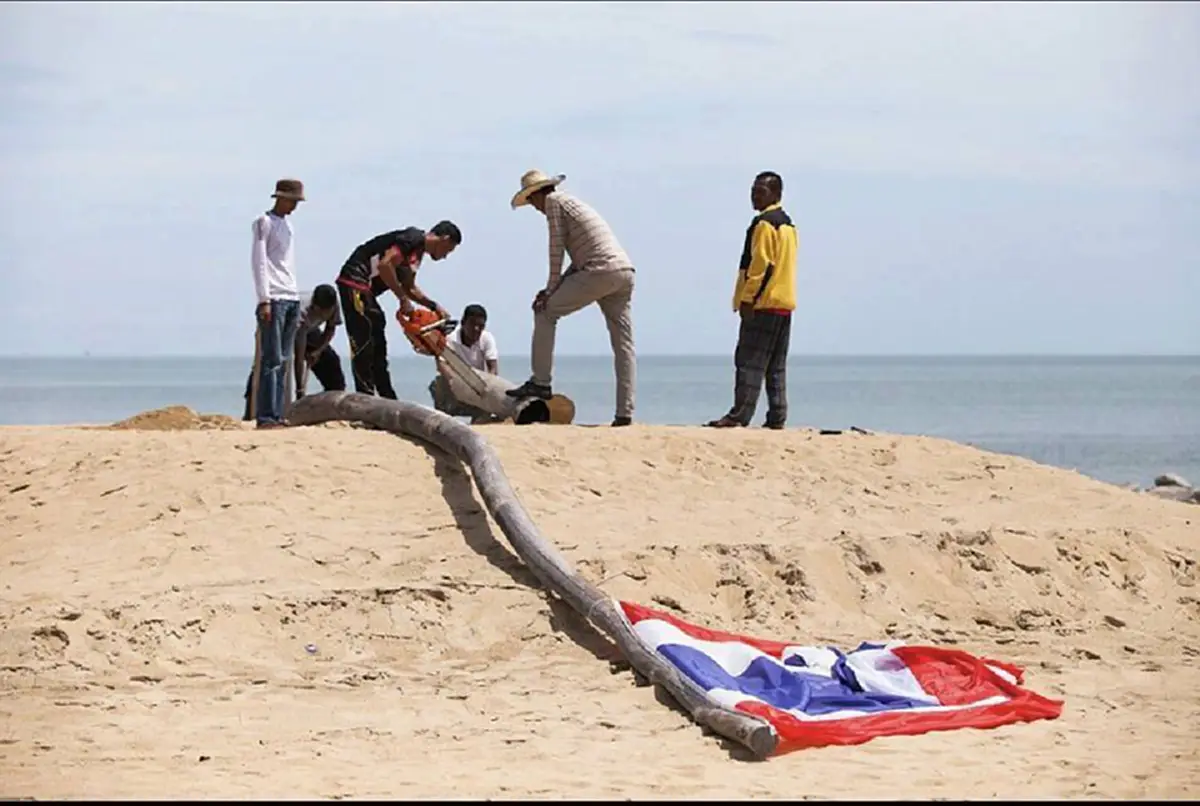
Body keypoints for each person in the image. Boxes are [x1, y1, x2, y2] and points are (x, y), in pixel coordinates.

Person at [505, 170, 636, 427]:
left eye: (531, 203)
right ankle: (625, 413)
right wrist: (553, 289)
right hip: (623, 272)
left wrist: (548, 291)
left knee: (545, 312)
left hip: (599, 271)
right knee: (624, 346)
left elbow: (556, 250)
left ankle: (541, 381)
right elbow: (577, 262)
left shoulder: (554, 203)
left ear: (536, 195)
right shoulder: (573, 203)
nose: (535, 209)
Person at [705, 171, 798, 430]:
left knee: (748, 361)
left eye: (761, 191)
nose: (754, 196)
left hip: (764, 302)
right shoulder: (789, 225)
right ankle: (777, 415)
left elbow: (762, 265)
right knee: (775, 364)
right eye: (753, 191)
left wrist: (748, 299)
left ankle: (739, 415)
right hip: (784, 302)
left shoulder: (765, 224)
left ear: (776, 194)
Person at [334, 221, 461, 399]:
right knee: (364, 335)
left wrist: (434, 306)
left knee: (378, 334)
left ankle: (386, 394)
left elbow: (410, 288)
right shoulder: (413, 238)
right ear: (444, 239)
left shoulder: (417, 256)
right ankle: (365, 394)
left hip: (366, 290)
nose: (445, 256)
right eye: (448, 250)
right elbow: (385, 265)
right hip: (354, 280)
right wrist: (402, 299)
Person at [249, 178, 304, 429]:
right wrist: (264, 299)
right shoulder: (264, 223)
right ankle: (266, 415)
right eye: (292, 200)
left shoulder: (288, 226)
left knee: (284, 358)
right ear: (281, 198)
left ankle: (280, 412)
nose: (294, 206)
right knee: (271, 359)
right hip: (274, 296)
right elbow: (259, 261)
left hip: (291, 294)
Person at [242, 284, 344, 417]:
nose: (320, 314)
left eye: (323, 312)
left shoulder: (334, 304)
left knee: (331, 361)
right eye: (317, 310)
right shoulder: (302, 310)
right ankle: (253, 410)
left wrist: (318, 350)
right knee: (271, 365)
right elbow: (299, 356)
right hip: (284, 328)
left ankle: (333, 406)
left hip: (311, 331)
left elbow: (330, 329)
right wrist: (300, 389)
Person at [428, 303, 500, 423]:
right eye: (472, 324)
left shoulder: (487, 339)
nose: (476, 329)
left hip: (477, 385)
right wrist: (454, 381)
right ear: (463, 323)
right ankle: (444, 420)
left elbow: (493, 367)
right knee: (438, 384)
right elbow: (441, 364)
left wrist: (488, 385)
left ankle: (480, 420)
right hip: (454, 384)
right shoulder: (449, 338)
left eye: (480, 326)